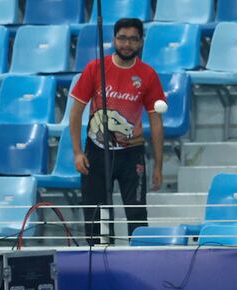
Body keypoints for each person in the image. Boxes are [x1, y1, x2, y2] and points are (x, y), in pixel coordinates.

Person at [69, 18, 165, 244]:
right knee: (97, 216)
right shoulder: (95, 68)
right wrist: (77, 152)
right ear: (114, 39)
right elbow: (75, 114)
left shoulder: (148, 75)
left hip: (132, 154)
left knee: (137, 214)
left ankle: (140, 260)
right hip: (96, 152)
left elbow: (156, 122)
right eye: (122, 38)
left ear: (141, 43)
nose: (127, 44)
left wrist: (159, 166)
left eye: (133, 39)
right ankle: (100, 264)